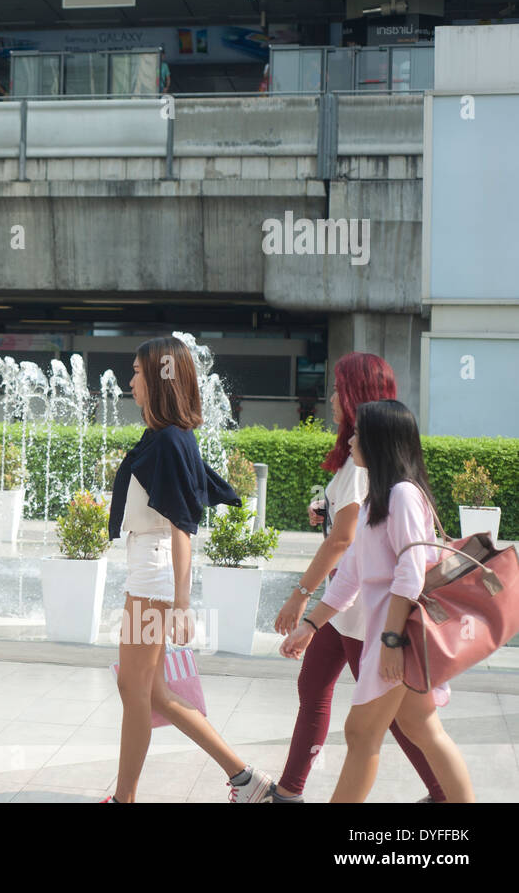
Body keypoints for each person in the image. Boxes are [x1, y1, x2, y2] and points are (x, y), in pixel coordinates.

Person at [269, 353, 444, 803]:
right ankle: (289, 790)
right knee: (341, 704)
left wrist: (301, 599)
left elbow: (348, 545)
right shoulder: (362, 465)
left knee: (391, 722)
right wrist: (310, 619)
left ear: (354, 397)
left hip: (373, 617)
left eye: (336, 388)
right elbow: (353, 542)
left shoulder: (382, 478)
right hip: (352, 609)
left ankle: (444, 792)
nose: (329, 398)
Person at [104, 336, 272, 803]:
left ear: (159, 380)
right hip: (148, 571)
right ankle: (246, 779)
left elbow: (183, 526)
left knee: (134, 688)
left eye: (137, 372)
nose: (131, 380)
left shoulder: (173, 440)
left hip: (156, 575)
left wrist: (182, 602)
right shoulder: (163, 437)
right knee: (150, 692)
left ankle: (124, 798)